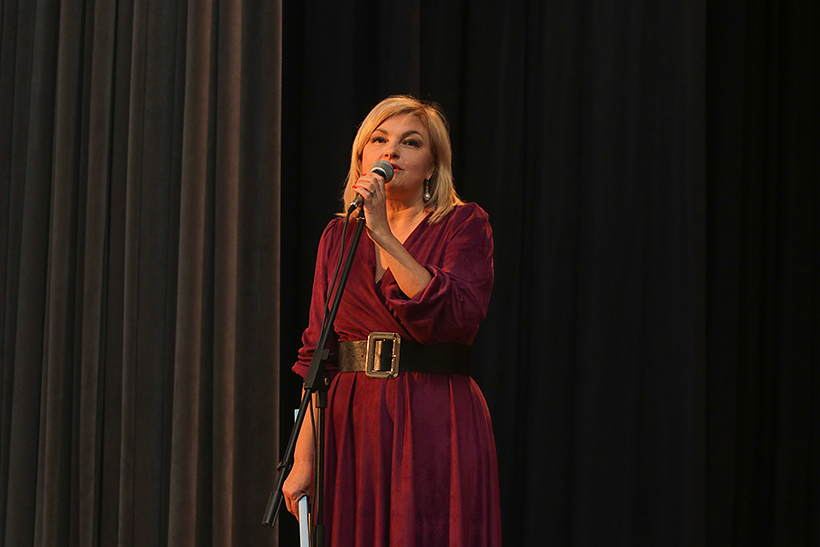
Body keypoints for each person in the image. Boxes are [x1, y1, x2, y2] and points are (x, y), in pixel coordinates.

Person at [282, 95, 501, 546]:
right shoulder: (338, 236)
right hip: (352, 421)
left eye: (410, 142)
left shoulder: (464, 224)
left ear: (432, 166)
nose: (391, 152)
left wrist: (382, 232)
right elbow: (317, 355)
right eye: (379, 140)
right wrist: (303, 458)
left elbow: (453, 316)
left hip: (432, 415)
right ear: (362, 157)